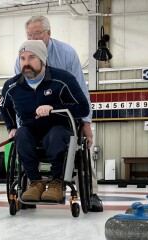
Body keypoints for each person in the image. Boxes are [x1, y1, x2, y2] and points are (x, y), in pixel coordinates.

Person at [14, 15, 104, 211]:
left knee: (81, 149)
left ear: (49, 33)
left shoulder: (66, 54)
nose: (33, 38)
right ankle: (33, 185)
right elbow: (17, 94)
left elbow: (81, 89)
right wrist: (17, 127)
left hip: (64, 119)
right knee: (23, 138)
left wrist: (86, 124)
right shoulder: (23, 58)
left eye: (37, 33)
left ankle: (91, 192)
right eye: (29, 35)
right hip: (36, 121)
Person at [0, 40, 89, 202]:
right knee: (21, 134)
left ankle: (57, 182)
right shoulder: (11, 86)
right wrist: (11, 126)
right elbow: (4, 107)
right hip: (32, 130)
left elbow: (83, 108)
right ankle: (35, 182)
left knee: (55, 135)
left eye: (31, 58)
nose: (26, 63)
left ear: (42, 59)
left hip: (60, 128)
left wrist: (53, 107)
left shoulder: (63, 79)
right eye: (22, 58)